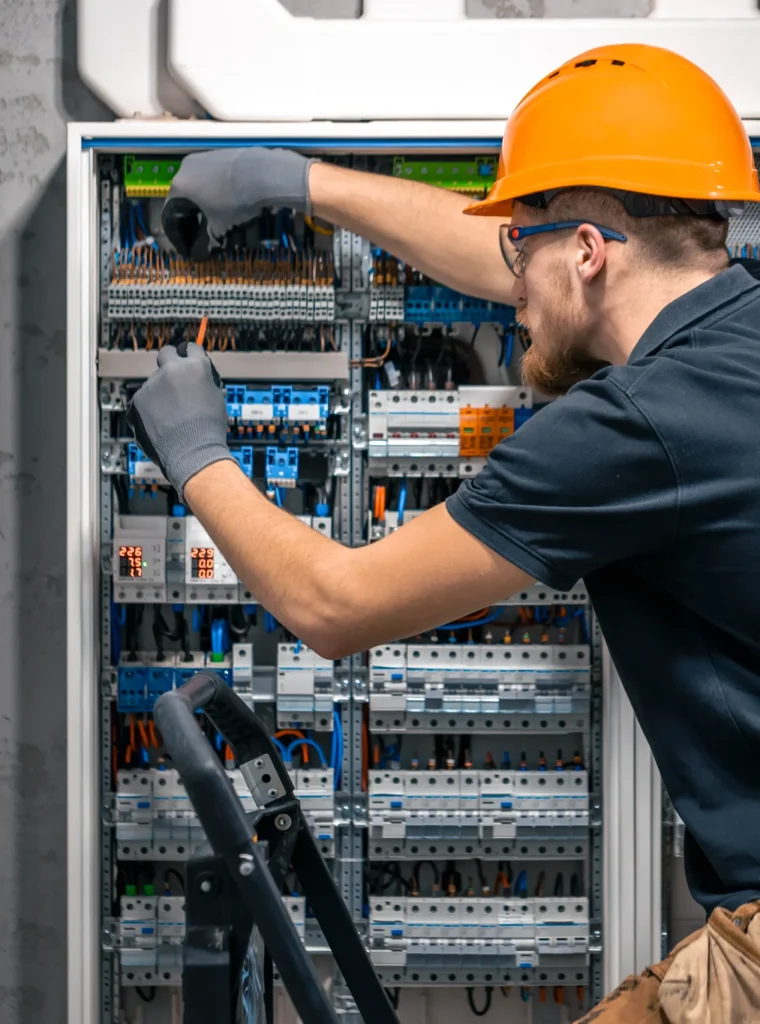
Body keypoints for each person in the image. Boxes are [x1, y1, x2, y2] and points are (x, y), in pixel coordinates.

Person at [130, 44, 760, 1022]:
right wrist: (292, 181)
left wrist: (197, 452)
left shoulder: (632, 427)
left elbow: (335, 604)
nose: (508, 284)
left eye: (519, 251)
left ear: (588, 251)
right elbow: (534, 267)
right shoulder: (735, 326)